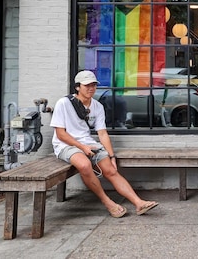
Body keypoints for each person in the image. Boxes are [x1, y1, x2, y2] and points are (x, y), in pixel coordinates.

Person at [51, 70, 158, 217]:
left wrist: (112, 156)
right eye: (87, 85)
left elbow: (102, 133)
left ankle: (139, 203)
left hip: (88, 144)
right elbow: (60, 134)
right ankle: (107, 202)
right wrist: (82, 147)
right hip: (66, 145)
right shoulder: (64, 103)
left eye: (94, 85)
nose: (91, 88)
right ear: (77, 87)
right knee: (84, 165)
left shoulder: (97, 106)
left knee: (111, 170)